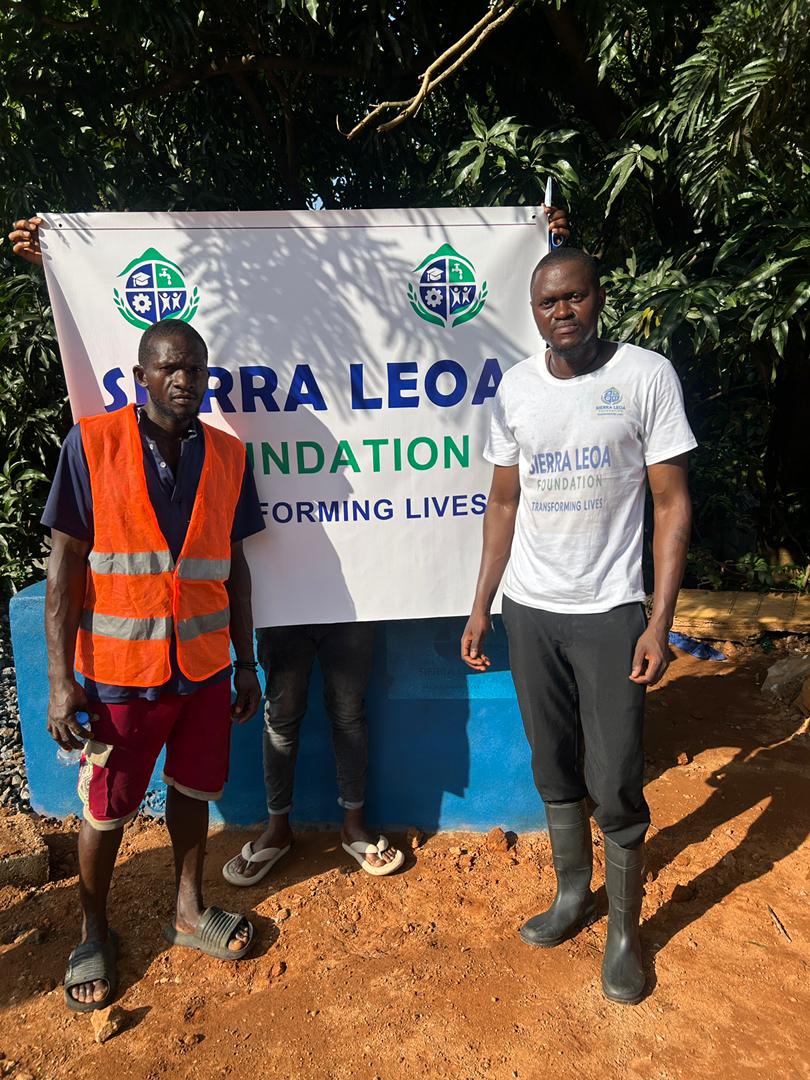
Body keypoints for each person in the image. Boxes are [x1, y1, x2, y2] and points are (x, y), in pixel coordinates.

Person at [461, 246, 695, 1005]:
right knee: (553, 764)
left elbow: (670, 506)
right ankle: (572, 895)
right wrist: (483, 603)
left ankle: (626, 933)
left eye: (574, 297)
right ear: (533, 312)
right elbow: (502, 504)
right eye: (546, 302)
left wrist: (659, 622)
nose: (561, 311)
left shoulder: (645, 377)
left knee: (617, 775)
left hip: (609, 612)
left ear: (599, 298)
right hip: (531, 611)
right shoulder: (517, 390)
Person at [40, 316, 265, 1012]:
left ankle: (190, 910)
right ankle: (91, 928)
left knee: (195, 792)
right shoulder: (92, 444)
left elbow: (236, 571)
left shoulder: (228, 456)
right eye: (169, 368)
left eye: (195, 369)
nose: (183, 380)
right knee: (106, 811)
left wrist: (245, 662)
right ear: (140, 377)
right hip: (117, 677)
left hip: (201, 670)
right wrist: (58, 681)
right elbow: (63, 569)